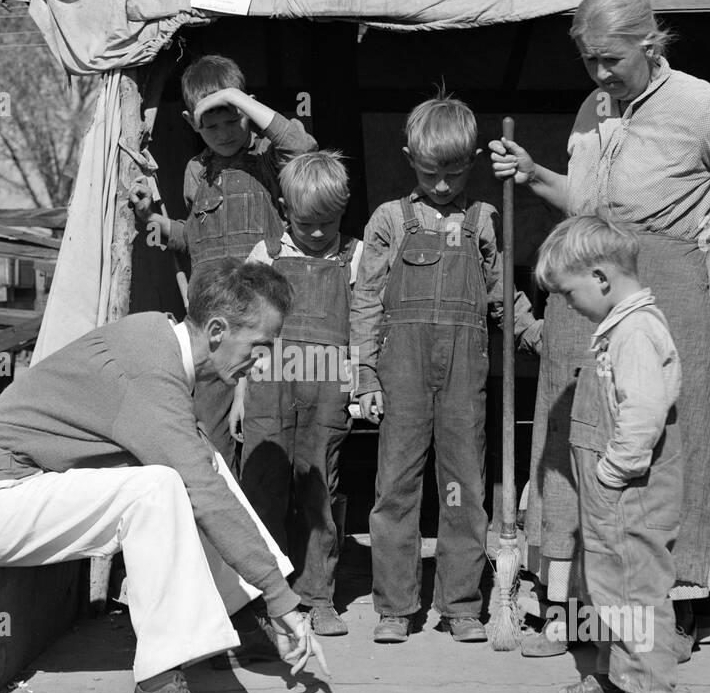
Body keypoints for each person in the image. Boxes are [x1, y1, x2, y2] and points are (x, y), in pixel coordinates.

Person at [490, 0, 710, 660]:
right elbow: (585, 200)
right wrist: (534, 174)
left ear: (649, 41)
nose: (601, 75)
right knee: (575, 443)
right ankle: (577, 609)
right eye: (589, 62)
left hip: (669, 294)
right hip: (589, 288)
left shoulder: (697, 105)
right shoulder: (595, 107)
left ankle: (676, 609)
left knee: (670, 444)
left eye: (612, 59)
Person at [0, 259, 329, 693]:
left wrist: (271, 594)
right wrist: (283, 596)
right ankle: (158, 688)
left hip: (33, 489)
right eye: (259, 348)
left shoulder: (159, 340)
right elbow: (201, 493)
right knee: (163, 486)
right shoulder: (148, 371)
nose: (262, 362)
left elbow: (201, 473)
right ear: (216, 330)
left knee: (196, 457)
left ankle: (243, 611)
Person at [351, 92, 529, 644]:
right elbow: (366, 300)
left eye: (455, 171)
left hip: (464, 374)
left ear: (473, 160)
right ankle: (395, 607)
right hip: (400, 370)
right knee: (397, 487)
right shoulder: (389, 219)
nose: (445, 185)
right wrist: (363, 374)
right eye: (432, 173)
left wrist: (535, 334)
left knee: (462, 487)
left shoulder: (484, 219)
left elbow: (504, 297)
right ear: (409, 159)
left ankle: (461, 605)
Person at [531, 217, 682, 693]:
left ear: (600, 278)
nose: (568, 304)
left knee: (637, 588)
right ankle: (617, 676)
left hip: (630, 488)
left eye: (569, 293)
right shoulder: (616, 328)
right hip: (610, 491)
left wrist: (613, 472)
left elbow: (642, 413)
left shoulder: (637, 331)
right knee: (607, 585)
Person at [131, 54, 317, 468]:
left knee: (266, 441)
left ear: (247, 108)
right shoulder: (197, 171)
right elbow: (190, 237)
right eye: (210, 125)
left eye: (232, 118)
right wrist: (153, 219)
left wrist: (236, 97)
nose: (224, 133)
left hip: (263, 326)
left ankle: (264, 529)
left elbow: (304, 147)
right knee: (211, 441)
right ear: (190, 123)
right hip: (212, 331)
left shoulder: (270, 158)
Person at [239, 150, 363, 637]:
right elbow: (246, 334)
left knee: (319, 492)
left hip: (328, 385)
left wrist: (359, 382)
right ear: (284, 208)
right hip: (269, 385)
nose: (315, 233)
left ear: (343, 209)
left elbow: (364, 323)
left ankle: (318, 597)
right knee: (263, 489)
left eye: (326, 223)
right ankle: (263, 598)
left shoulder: (354, 257)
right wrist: (237, 396)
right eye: (305, 223)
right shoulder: (265, 256)